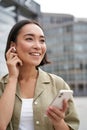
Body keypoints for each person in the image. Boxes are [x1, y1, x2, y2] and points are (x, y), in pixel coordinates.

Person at [0, 19, 80, 130]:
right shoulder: (1, 85)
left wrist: (58, 122)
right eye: (29, 39)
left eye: (42, 41)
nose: (38, 46)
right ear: (13, 45)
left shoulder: (57, 84)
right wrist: (13, 78)